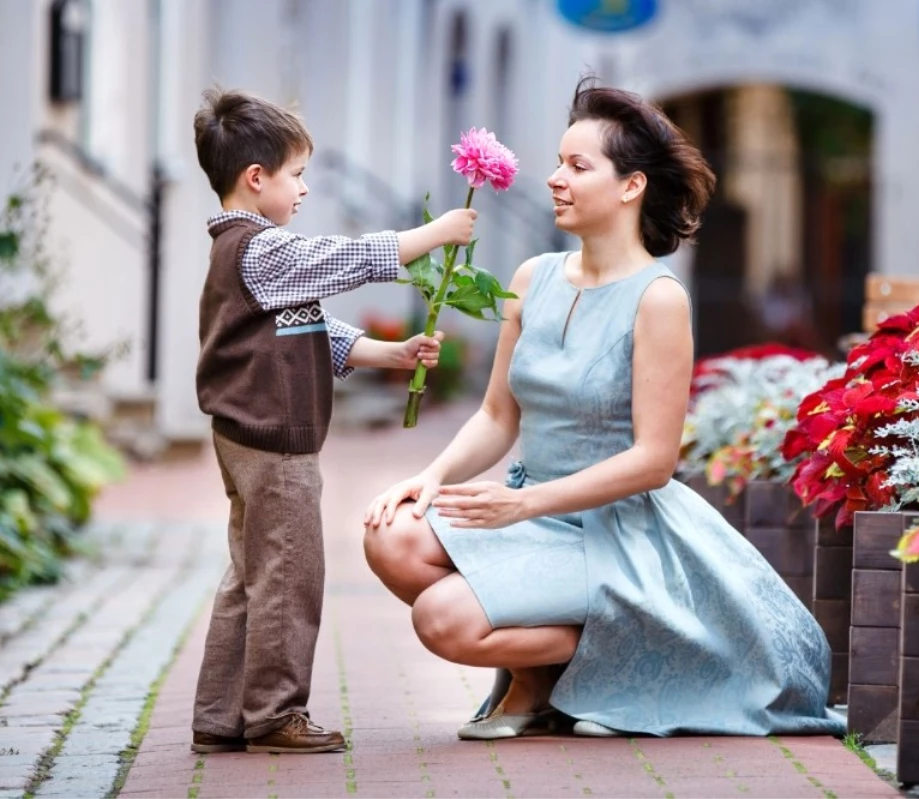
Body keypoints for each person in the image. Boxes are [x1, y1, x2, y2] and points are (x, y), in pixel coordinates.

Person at [362, 78, 845, 740]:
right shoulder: (531, 277)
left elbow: (654, 461)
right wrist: (434, 476)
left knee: (442, 619)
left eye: (577, 166)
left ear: (630, 186)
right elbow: (498, 416)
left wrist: (525, 505)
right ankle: (541, 686)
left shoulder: (659, 299)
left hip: (618, 533)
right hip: (532, 511)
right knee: (389, 537)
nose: (555, 179)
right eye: (559, 162)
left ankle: (621, 649)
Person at [190, 88, 477, 754]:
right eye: (295, 174)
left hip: (247, 435)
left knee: (252, 571)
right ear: (255, 179)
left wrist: (393, 355)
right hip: (274, 442)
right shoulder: (260, 250)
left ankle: (221, 711)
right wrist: (434, 235)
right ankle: (275, 712)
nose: (305, 188)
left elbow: (313, 327)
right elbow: (345, 261)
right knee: (291, 574)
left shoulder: (252, 258)